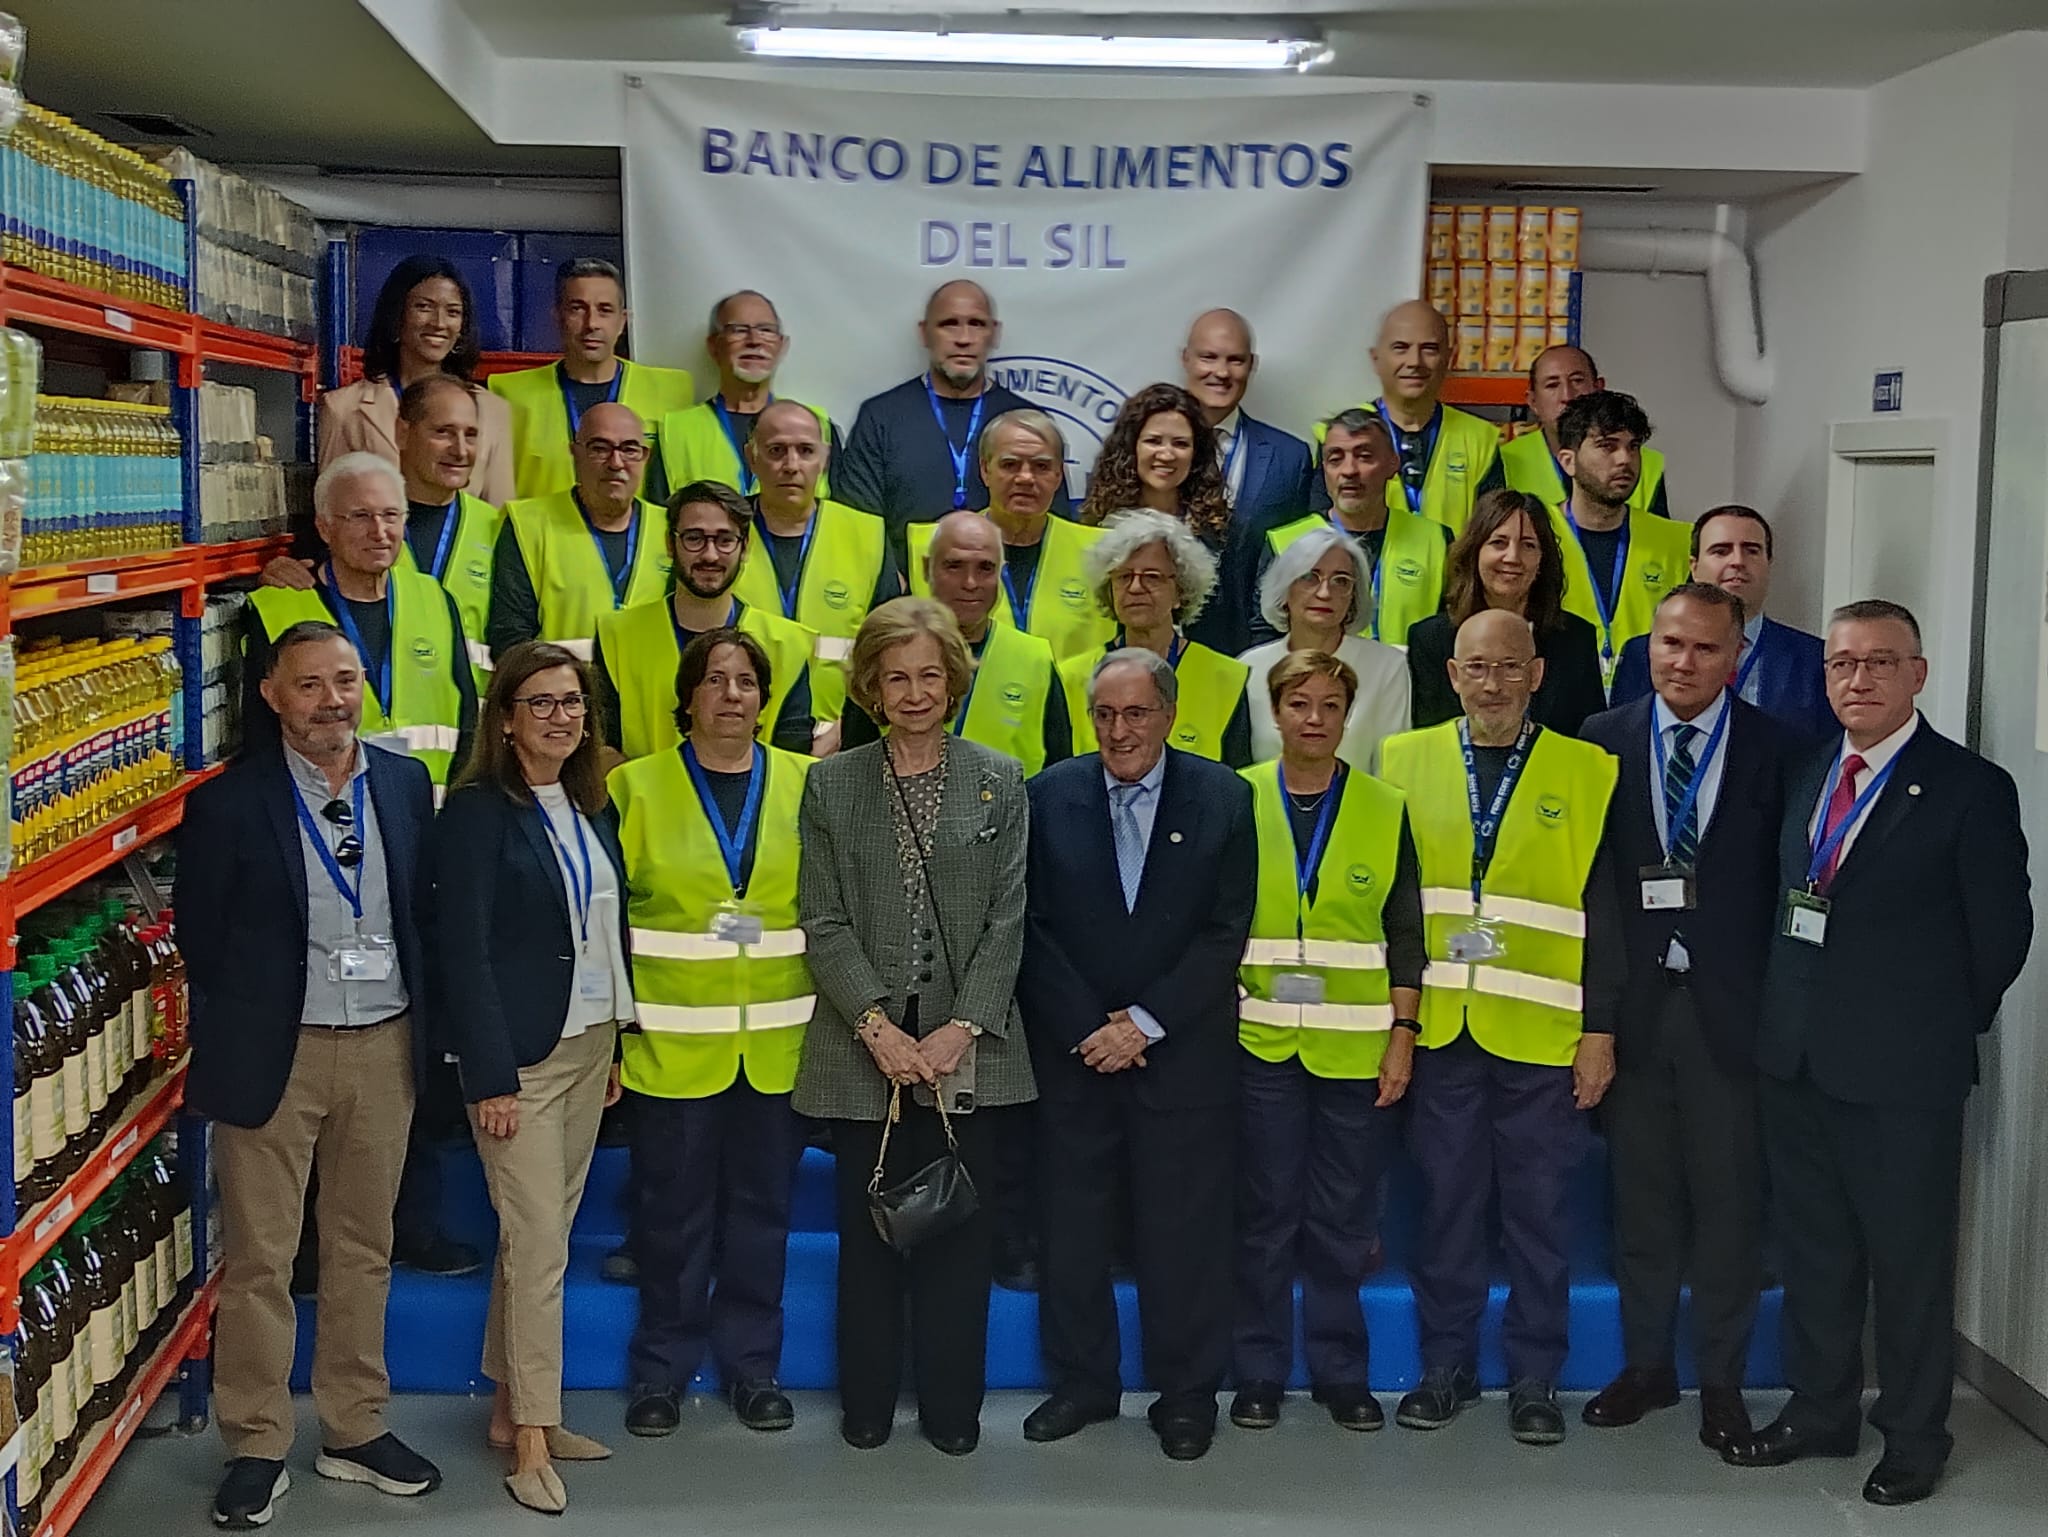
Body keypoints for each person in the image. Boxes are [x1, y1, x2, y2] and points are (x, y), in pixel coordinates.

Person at [1724, 600, 2032, 1507]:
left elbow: (2001, 937)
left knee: (1907, 1265)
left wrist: (1929, 1025)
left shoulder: (1971, 787)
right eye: (1843, 664)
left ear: (1918, 675)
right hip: (1798, 1060)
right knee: (1817, 1254)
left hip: (1903, 1074)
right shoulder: (1813, 768)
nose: (1857, 680)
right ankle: (1822, 1411)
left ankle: (1913, 1435)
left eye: (1879, 664)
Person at [176, 621, 441, 1530]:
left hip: (383, 1047)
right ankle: (256, 1440)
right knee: (261, 1257)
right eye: (310, 685)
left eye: (345, 679)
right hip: (275, 1053)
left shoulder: (405, 785)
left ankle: (354, 1425)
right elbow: (201, 942)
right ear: (272, 696)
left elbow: (419, 912)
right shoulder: (229, 805)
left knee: (364, 1246)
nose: (333, 700)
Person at [1378, 608, 1623, 1446]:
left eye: (1508, 667)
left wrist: (1600, 1029)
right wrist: (1400, 1023)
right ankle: (1445, 1368)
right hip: (1444, 1026)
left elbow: (1607, 910)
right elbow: (1397, 905)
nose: (1492, 683)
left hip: (1545, 1034)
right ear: (1451, 674)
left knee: (1539, 1211)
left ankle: (1534, 1377)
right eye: (1476, 667)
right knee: (1446, 1206)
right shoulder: (1400, 760)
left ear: (1536, 674)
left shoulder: (1590, 770)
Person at [795, 599, 1033, 1455]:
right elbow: (821, 920)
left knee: (960, 1239)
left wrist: (961, 1027)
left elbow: (1010, 920)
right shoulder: (831, 782)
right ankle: (866, 1405)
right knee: (867, 1240)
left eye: (931, 673)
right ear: (870, 687)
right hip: (867, 1054)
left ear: (955, 680)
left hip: (969, 1054)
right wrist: (878, 1030)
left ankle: (951, 1411)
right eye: (896, 676)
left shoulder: (1000, 778)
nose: (915, 690)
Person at [1020, 648, 1257, 1461]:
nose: (1120, 730)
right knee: (1073, 1225)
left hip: (1180, 1054)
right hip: (1075, 1052)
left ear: (1169, 714)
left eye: (1136, 713)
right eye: (1105, 715)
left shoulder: (1225, 797)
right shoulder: (1047, 796)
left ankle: (1186, 1392)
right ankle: (1084, 1382)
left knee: (1182, 1231)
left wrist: (1144, 1023)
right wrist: (1092, 1025)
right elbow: (1032, 926)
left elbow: (1226, 931)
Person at [1579, 585, 1797, 1453]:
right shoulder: (1600, 742)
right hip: (1635, 1010)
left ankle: (1722, 1381)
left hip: (1729, 1015)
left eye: (1705, 649)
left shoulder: (1785, 751)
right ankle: (1645, 1368)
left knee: (1729, 1204)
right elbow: (1591, 885)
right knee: (1641, 1201)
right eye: (1670, 643)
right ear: (1649, 646)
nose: (1684, 661)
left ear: (1735, 656)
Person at [430, 642, 630, 1514]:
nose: (562, 715)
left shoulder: (591, 803)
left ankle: (514, 1412)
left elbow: (601, 931)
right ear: (505, 718)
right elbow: (462, 953)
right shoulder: (476, 812)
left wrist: (616, 1043)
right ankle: (536, 1442)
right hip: (519, 1060)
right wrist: (489, 1075)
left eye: (573, 701)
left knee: (532, 1238)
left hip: (587, 1046)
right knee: (542, 1244)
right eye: (541, 702)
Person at [612, 629, 816, 1441]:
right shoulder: (632, 788)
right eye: (714, 679)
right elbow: (606, 923)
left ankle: (752, 1368)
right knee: (673, 1220)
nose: (731, 693)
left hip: (777, 1050)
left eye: (746, 681)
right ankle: (660, 1372)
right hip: (670, 1050)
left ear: (764, 700)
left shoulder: (809, 784)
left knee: (762, 1218)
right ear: (687, 696)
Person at [1229, 650, 1425, 1434]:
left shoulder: (1384, 805)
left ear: (1350, 716)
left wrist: (1404, 1035)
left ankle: (1344, 1374)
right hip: (1260, 1043)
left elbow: (1405, 931)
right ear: (1275, 713)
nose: (1314, 717)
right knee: (1265, 1213)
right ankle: (1258, 1372)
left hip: (1355, 1048)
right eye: (1298, 703)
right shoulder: (1234, 797)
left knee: (1344, 1218)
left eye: (1330, 705)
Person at [247, 452, 477, 792]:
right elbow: (260, 736)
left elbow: (468, 717)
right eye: (360, 516)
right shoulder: (276, 606)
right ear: (324, 528)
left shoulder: (435, 598)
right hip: (325, 813)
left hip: (432, 815)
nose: (379, 532)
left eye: (391, 516)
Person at [264, 376, 504, 692]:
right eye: (443, 432)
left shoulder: (500, 529)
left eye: (470, 435)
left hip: (464, 726)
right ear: (402, 432)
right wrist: (274, 574)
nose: (460, 450)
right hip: (357, 722)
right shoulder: (336, 528)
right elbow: (297, 596)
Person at [837, 280, 1074, 553]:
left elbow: (1056, 526)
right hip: (906, 591)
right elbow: (858, 525)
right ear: (925, 333)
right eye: (949, 324)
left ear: (994, 334)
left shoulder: (1028, 423)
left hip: (1005, 587)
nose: (964, 338)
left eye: (976, 324)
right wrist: (895, 585)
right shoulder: (880, 417)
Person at [594, 480, 818, 760]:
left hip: (757, 803)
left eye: (725, 540)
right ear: (670, 544)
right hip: (642, 803)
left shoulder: (788, 645)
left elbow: (793, 759)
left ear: (745, 547)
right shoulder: (616, 635)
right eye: (694, 538)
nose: (710, 555)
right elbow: (602, 746)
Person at [845, 512, 1069, 775]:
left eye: (985, 568)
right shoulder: (886, 649)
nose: (970, 583)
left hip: (1009, 814)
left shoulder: (1035, 659)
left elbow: (1058, 771)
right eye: (954, 566)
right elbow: (854, 760)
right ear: (927, 569)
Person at [729, 399, 900, 725]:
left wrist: (848, 728)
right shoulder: (723, 533)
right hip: (739, 730)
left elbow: (887, 648)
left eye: (805, 451)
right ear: (752, 458)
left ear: (824, 458)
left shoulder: (866, 534)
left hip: (842, 732)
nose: (791, 465)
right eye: (776, 451)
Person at [905, 409, 1115, 662]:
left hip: (1075, 700)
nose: (1026, 477)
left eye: (1041, 466)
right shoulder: (928, 546)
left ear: (1059, 475)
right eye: (1010, 465)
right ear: (984, 469)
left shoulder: (1103, 552)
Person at [1608, 506, 1833, 741]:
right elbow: (1624, 741)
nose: (1737, 561)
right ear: (1693, 567)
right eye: (1721, 551)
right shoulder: (1640, 654)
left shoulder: (1814, 658)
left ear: (1769, 563)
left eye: (1751, 551)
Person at [489, 258, 695, 501]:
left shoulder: (672, 392)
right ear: (558, 317)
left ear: (622, 322)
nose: (591, 324)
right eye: (577, 308)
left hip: (636, 537)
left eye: (605, 310)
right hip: (540, 536)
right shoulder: (508, 393)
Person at [1058, 510, 1252, 768]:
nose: (1136, 588)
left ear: (1180, 591)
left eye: (1152, 577)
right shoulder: (1072, 676)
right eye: (1124, 577)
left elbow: (1234, 783)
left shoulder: (1226, 678)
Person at [1407, 490, 1607, 735]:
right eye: (1498, 543)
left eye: (1528, 545)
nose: (1512, 557)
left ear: (1543, 559)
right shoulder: (1430, 640)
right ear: (1475, 551)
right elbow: (1430, 739)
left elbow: (1588, 738)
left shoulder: (1576, 638)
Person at [319, 255, 512, 503]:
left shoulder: (492, 410)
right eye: (424, 307)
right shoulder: (343, 410)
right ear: (396, 315)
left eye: (453, 312)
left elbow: (499, 516)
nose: (439, 323)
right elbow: (333, 512)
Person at [488, 402, 671, 661]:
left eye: (629, 449)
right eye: (600, 448)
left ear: (645, 457)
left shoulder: (671, 527)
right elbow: (510, 635)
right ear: (575, 453)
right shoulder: (527, 523)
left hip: (652, 695)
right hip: (562, 696)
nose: (616, 462)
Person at [1255, 409, 1451, 647]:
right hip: (1312, 680)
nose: (1349, 471)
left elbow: (1449, 631)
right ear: (1324, 469)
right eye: (1335, 459)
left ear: (1393, 464)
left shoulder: (1437, 539)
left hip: (1404, 680)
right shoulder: (1285, 543)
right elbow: (1266, 634)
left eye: (1364, 456)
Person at [1079, 383, 1245, 655]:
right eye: (1153, 441)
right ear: (1132, 447)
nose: (1166, 455)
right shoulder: (1096, 527)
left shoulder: (1222, 531)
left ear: (1197, 453)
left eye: (1180, 444)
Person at [1312, 300, 1505, 534]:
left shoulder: (1480, 439)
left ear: (1449, 358)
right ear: (1376, 359)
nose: (1415, 362)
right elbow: (1320, 531)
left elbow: (1492, 531)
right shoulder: (1337, 437)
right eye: (1401, 348)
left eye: (1429, 349)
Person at [1547, 390, 1691, 685]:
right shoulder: (1534, 534)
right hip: (1558, 704)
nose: (1625, 459)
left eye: (1633, 446)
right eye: (1607, 446)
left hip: (1644, 709)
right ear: (1567, 461)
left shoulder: (1679, 540)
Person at [1240, 523, 1411, 772]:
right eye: (1310, 577)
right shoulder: (1249, 667)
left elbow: (1391, 769)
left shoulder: (1388, 667)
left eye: (1341, 581)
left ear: (1354, 596)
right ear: (1285, 589)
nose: (1324, 592)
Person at [658, 290, 838, 498]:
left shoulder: (818, 427)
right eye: (738, 330)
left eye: (766, 330)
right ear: (714, 346)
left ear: (781, 345)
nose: (754, 340)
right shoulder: (676, 432)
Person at [1179, 308, 1314, 530]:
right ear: (1186, 359)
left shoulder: (1290, 458)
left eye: (1235, 360)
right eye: (1208, 357)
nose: (1222, 372)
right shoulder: (1147, 446)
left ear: (1252, 364)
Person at [1500, 346, 1672, 519]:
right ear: (1533, 401)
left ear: (1599, 388)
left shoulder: (1645, 464)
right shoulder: (1505, 460)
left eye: (1577, 381)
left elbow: (1659, 535)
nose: (1567, 395)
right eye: (1552, 385)